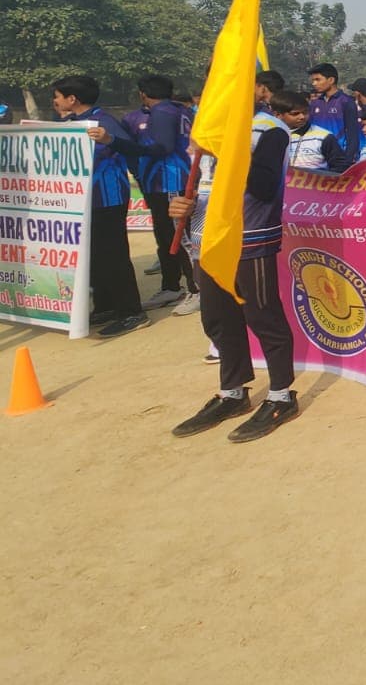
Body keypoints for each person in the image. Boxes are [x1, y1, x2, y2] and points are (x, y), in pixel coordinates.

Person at [168, 96, 299, 441]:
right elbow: (195, 183)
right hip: (206, 238)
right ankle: (233, 393)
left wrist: (226, 147)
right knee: (217, 318)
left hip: (249, 236)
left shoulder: (270, 130)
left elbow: (264, 186)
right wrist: (183, 204)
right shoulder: (204, 129)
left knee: (263, 316)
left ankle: (281, 396)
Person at [56, 75, 146, 337]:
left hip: (108, 197)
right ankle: (107, 305)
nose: (55, 100)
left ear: (72, 99)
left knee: (114, 256)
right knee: (94, 255)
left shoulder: (103, 121)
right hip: (84, 200)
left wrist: (109, 141)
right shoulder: (71, 123)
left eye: (58, 95)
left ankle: (132, 312)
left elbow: (133, 148)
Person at [130, 73, 198, 310]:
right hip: (164, 181)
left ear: (143, 94)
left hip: (170, 180)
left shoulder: (162, 112)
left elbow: (163, 147)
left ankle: (195, 288)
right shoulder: (182, 110)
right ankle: (171, 287)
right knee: (166, 236)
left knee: (179, 237)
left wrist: (126, 146)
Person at [274, 91, 355, 173]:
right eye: (295, 114)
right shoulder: (270, 135)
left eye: (305, 112)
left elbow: (340, 168)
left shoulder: (323, 137)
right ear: (278, 115)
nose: (302, 117)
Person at [307, 62, 361, 157]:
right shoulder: (315, 103)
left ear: (331, 80)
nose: (314, 83)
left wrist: (347, 159)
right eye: (313, 80)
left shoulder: (346, 102)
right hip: (317, 156)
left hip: (338, 155)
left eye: (318, 79)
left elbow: (353, 134)